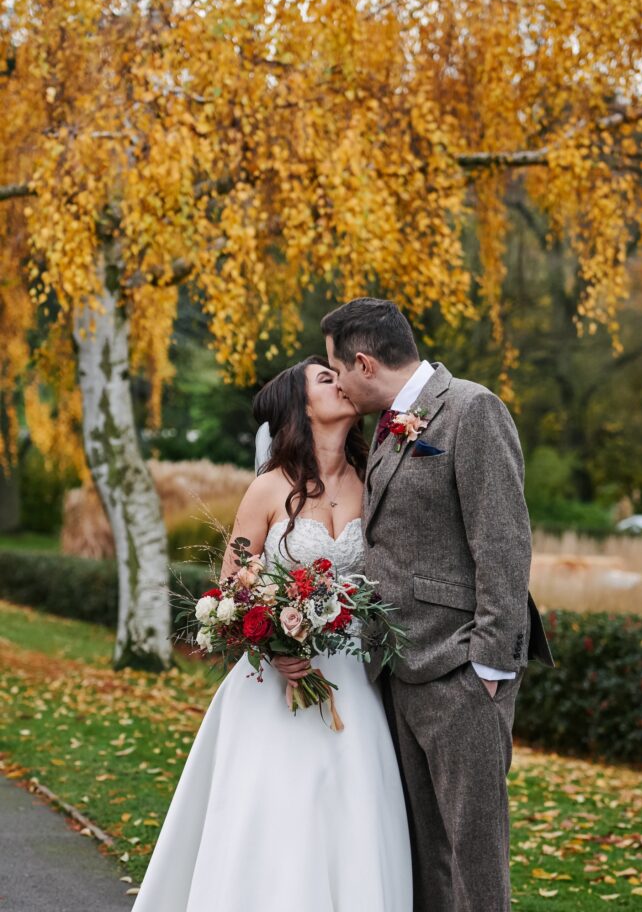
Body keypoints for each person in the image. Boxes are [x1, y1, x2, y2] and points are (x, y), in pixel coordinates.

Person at [131, 355, 412, 912]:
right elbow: (230, 594)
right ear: (299, 406)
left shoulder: (375, 482)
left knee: (352, 816)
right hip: (273, 690)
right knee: (276, 824)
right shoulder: (266, 490)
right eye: (327, 379)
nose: (343, 383)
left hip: (352, 682)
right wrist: (277, 644)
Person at [321, 297, 555, 912]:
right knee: (424, 856)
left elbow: (503, 539)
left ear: (364, 363)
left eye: (337, 369)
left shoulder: (474, 411)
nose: (337, 383)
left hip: (459, 673)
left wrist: (491, 667)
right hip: (398, 668)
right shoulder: (385, 425)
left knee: (475, 857)